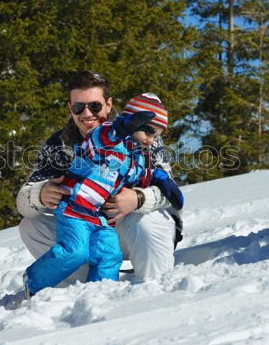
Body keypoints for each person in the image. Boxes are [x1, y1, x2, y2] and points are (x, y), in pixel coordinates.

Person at [16, 71, 183, 284]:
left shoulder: (139, 134)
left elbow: (170, 192)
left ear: (108, 104)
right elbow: (22, 201)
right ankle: (86, 286)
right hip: (87, 227)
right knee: (31, 225)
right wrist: (39, 194)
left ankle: (152, 287)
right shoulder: (59, 145)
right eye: (78, 107)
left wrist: (138, 199)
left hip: (133, 229)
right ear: (70, 108)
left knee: (145, 219)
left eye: (94, 106)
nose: (87, 114)